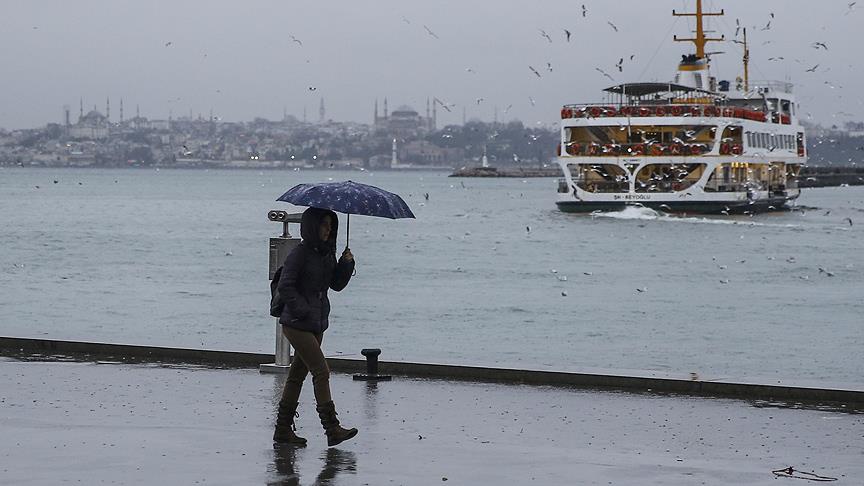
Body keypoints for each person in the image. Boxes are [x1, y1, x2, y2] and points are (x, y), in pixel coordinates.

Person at [273, 207, 357, 447]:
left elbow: (336, 285)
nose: (328, 229)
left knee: (296, 377)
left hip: (317, 323)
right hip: (296, 323)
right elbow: (286, 286)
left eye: (331, 226)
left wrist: (346, 264)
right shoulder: (299, 254)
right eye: (323, 225)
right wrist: (301, 310)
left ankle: (282, 431)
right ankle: (332, 428)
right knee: (321, 371)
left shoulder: (326, 254)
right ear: (312, 226)